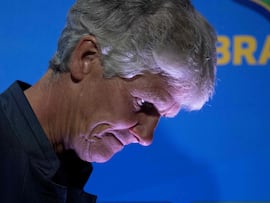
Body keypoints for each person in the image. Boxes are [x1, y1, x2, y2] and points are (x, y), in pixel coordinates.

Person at [0, 0, 217, 202]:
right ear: (86, 58)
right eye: (144, 103)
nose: (146, 138)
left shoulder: (64, 173)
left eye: (162, 115)